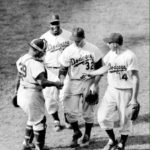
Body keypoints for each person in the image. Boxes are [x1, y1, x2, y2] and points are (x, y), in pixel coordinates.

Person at [83, 33, 140, 150]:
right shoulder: (111, 54)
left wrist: (134, 98)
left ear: (115, 44)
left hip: (126, 92)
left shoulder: (130, 56)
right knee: (102, 117)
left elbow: (135, 78)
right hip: (111, 90)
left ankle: (122, 143)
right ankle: (112, 140)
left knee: (125, 120)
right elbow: (106, 67)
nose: (107, 44)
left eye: (109, 42)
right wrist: (92, 74)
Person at [58, 27, 103, 148]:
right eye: (75, 40)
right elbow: (62, 69)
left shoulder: (94, 50)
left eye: (78, 40)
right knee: (68, 110)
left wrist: (95, 84)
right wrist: (62, 80)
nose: (76, 42)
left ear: (83, 37)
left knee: (88, 111)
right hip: (72, 82)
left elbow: (100, 69)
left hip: (89, 81)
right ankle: (76, 132)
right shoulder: (68, 51)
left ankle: (87, 135)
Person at [15, 38, 63, 150]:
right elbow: (42, 82)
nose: (43, 54)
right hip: (32, 95)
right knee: (40, 122)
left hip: (22, 92)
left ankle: (26, 143)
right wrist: (55, 84)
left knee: (32, 117)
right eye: (42, 51)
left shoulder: (22, 58)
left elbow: (18, 77)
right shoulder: (35, 64)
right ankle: (39, 147)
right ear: (37, 51)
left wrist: (16, 92)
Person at [40, 14, 72, 131]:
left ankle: (67, 119)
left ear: (60, 23)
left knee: (66, 96)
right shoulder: (43, 38)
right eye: (52, 23)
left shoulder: (68, 35)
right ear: (49, 24)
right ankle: (56, 120)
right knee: (50, 98)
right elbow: (39, 56)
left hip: (66, 71)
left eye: (57, 23)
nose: (55, 26)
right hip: (50, 71)